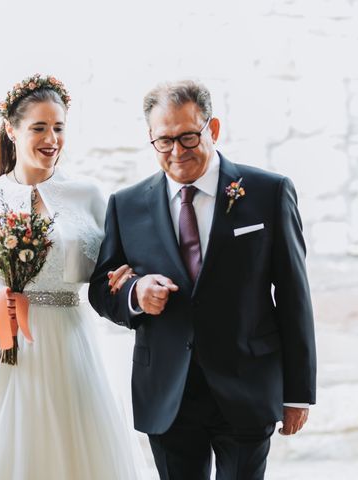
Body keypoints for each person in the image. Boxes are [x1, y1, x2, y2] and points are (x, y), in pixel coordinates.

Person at [89, 79, 317, 480]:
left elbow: (294, 295)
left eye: (188, 137)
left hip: (246, 385)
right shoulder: (126, 206)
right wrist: (135, 294)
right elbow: (101, 289)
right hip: (167, 393)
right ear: (150, 138)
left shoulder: (269, 192)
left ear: (212, 129)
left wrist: (298, 392)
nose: (177, 152)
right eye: (164, 141)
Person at [0, 74, 143, 480]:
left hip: (71, 339)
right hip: (2, 346)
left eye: (59, 128)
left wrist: (125, 276)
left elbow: (109, 269)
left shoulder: (89, 195)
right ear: (12, 130)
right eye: (39, 128)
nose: (52, 139)